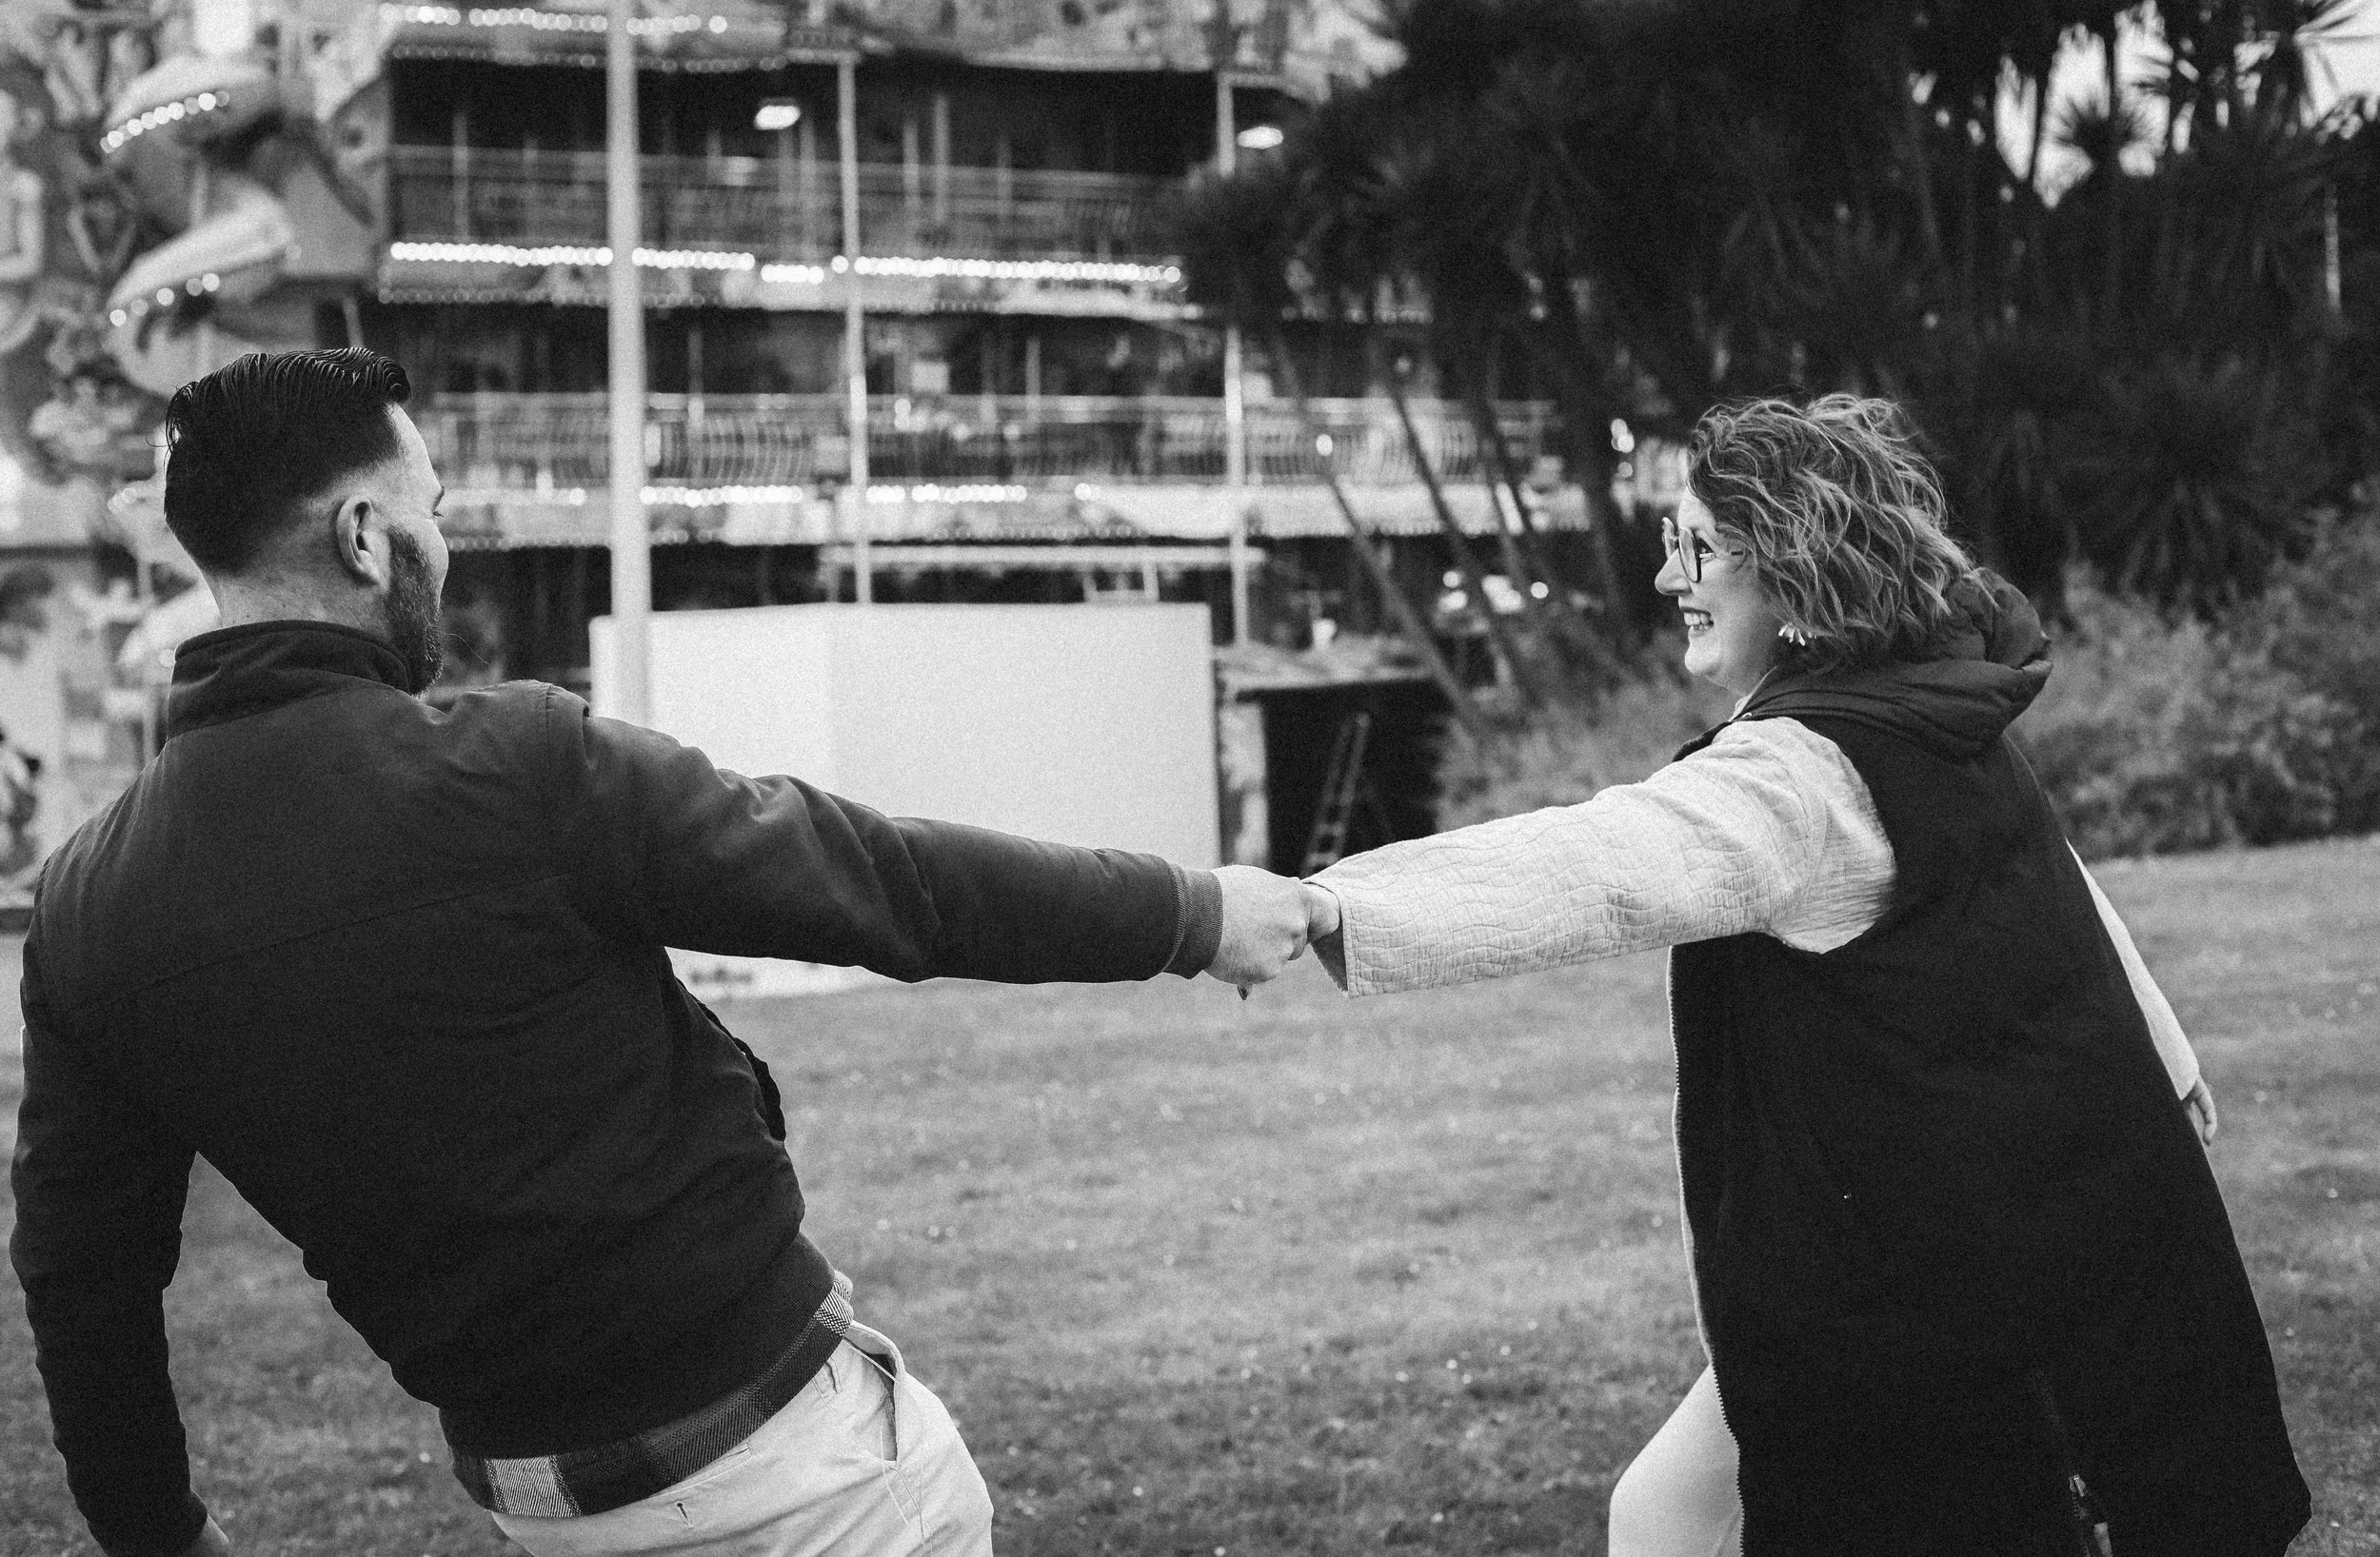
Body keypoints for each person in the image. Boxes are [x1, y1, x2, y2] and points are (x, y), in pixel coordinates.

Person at [10, 348, 1334, 1557]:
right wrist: (1194, 911)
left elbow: (84, 1283)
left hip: (544, 1504)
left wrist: (162, 1539)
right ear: (364, 535)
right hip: (812, 1487)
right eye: (436, 512)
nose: (445, 548)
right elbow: (880, 881)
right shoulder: (514, 764)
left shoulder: (87, 910)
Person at [1302, 395, 2309, 1556]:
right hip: (2012, 1227)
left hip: (1937, 1279)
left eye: (1701, 549)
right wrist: (2169, 1056)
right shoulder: (1933, 698)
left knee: (1711, 1510)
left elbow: (1601, 862)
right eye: (1668, 543)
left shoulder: (1802, 772)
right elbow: (2050, 868)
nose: (1672, 578)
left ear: (1787, 567)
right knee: (1669, 1508)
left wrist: (1334, 905)